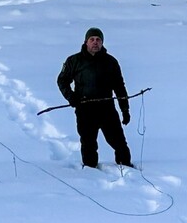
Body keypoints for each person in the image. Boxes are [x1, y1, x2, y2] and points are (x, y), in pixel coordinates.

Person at [57, 27, 133, 169]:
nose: (95, 42)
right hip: (85, 109)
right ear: (86, 42)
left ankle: (126, 167)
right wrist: (72, 97)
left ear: (102, 43)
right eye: (92, 39)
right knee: (88, 142)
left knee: (118, 141)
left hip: (107, 108)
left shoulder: (111, 62)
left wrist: (125, 109)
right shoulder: (74, 61)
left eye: (98, 40)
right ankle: (90, 171)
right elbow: (62, 81)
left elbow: (119, 87)